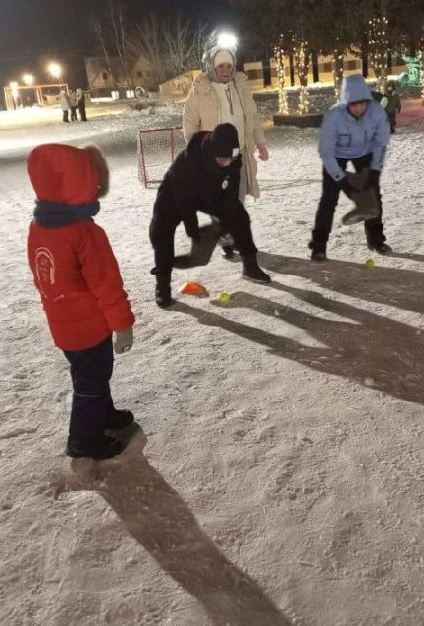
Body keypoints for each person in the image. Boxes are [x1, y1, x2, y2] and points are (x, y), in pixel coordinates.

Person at [26, 143, 135, 459]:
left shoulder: (39, 226)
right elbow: (108, 285)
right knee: (91, 380)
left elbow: (41, 273)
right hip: (90, 328)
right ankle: (84, 439)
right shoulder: (86, 234)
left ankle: (103, 413)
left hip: (62, 325)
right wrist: (123, 325)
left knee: (91, 374)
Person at [150, 123, 271, 308]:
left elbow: (230, 195)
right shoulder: (190, 159)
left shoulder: (234, 157)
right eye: (222, 159)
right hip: (175, 193)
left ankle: (250, 266)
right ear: (211, 152)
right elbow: (184, 197)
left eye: (230, 158)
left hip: (209, 192)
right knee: (160, 229)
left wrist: (225, 222)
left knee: (239, 216)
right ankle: (162, 286)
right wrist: (193, 231)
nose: (226, 163)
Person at [183, 44, 269, 260]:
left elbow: (252, 117)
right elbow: (190, 123)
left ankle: (233, 237)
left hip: (239, 154)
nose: (225, 70)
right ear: (212, 66)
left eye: (229, 65)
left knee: (237, 201)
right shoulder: (200, 90)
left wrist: (260, 143)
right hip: (213, 158)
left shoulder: (241, 86)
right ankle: (225, 239)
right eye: (220, 65)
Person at [309, 74, 391, 261]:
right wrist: (342, 181)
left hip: (365, 151)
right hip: (336, 155)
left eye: (362, 103)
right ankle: (319, 245)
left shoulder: (376, 112)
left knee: (373, 194)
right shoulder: (333, 117)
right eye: (353, 104)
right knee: (329, 198)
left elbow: (380, 143)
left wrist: (375, 172)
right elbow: (326, 152)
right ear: (346, 102)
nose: (358, 108)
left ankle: (375, 239)